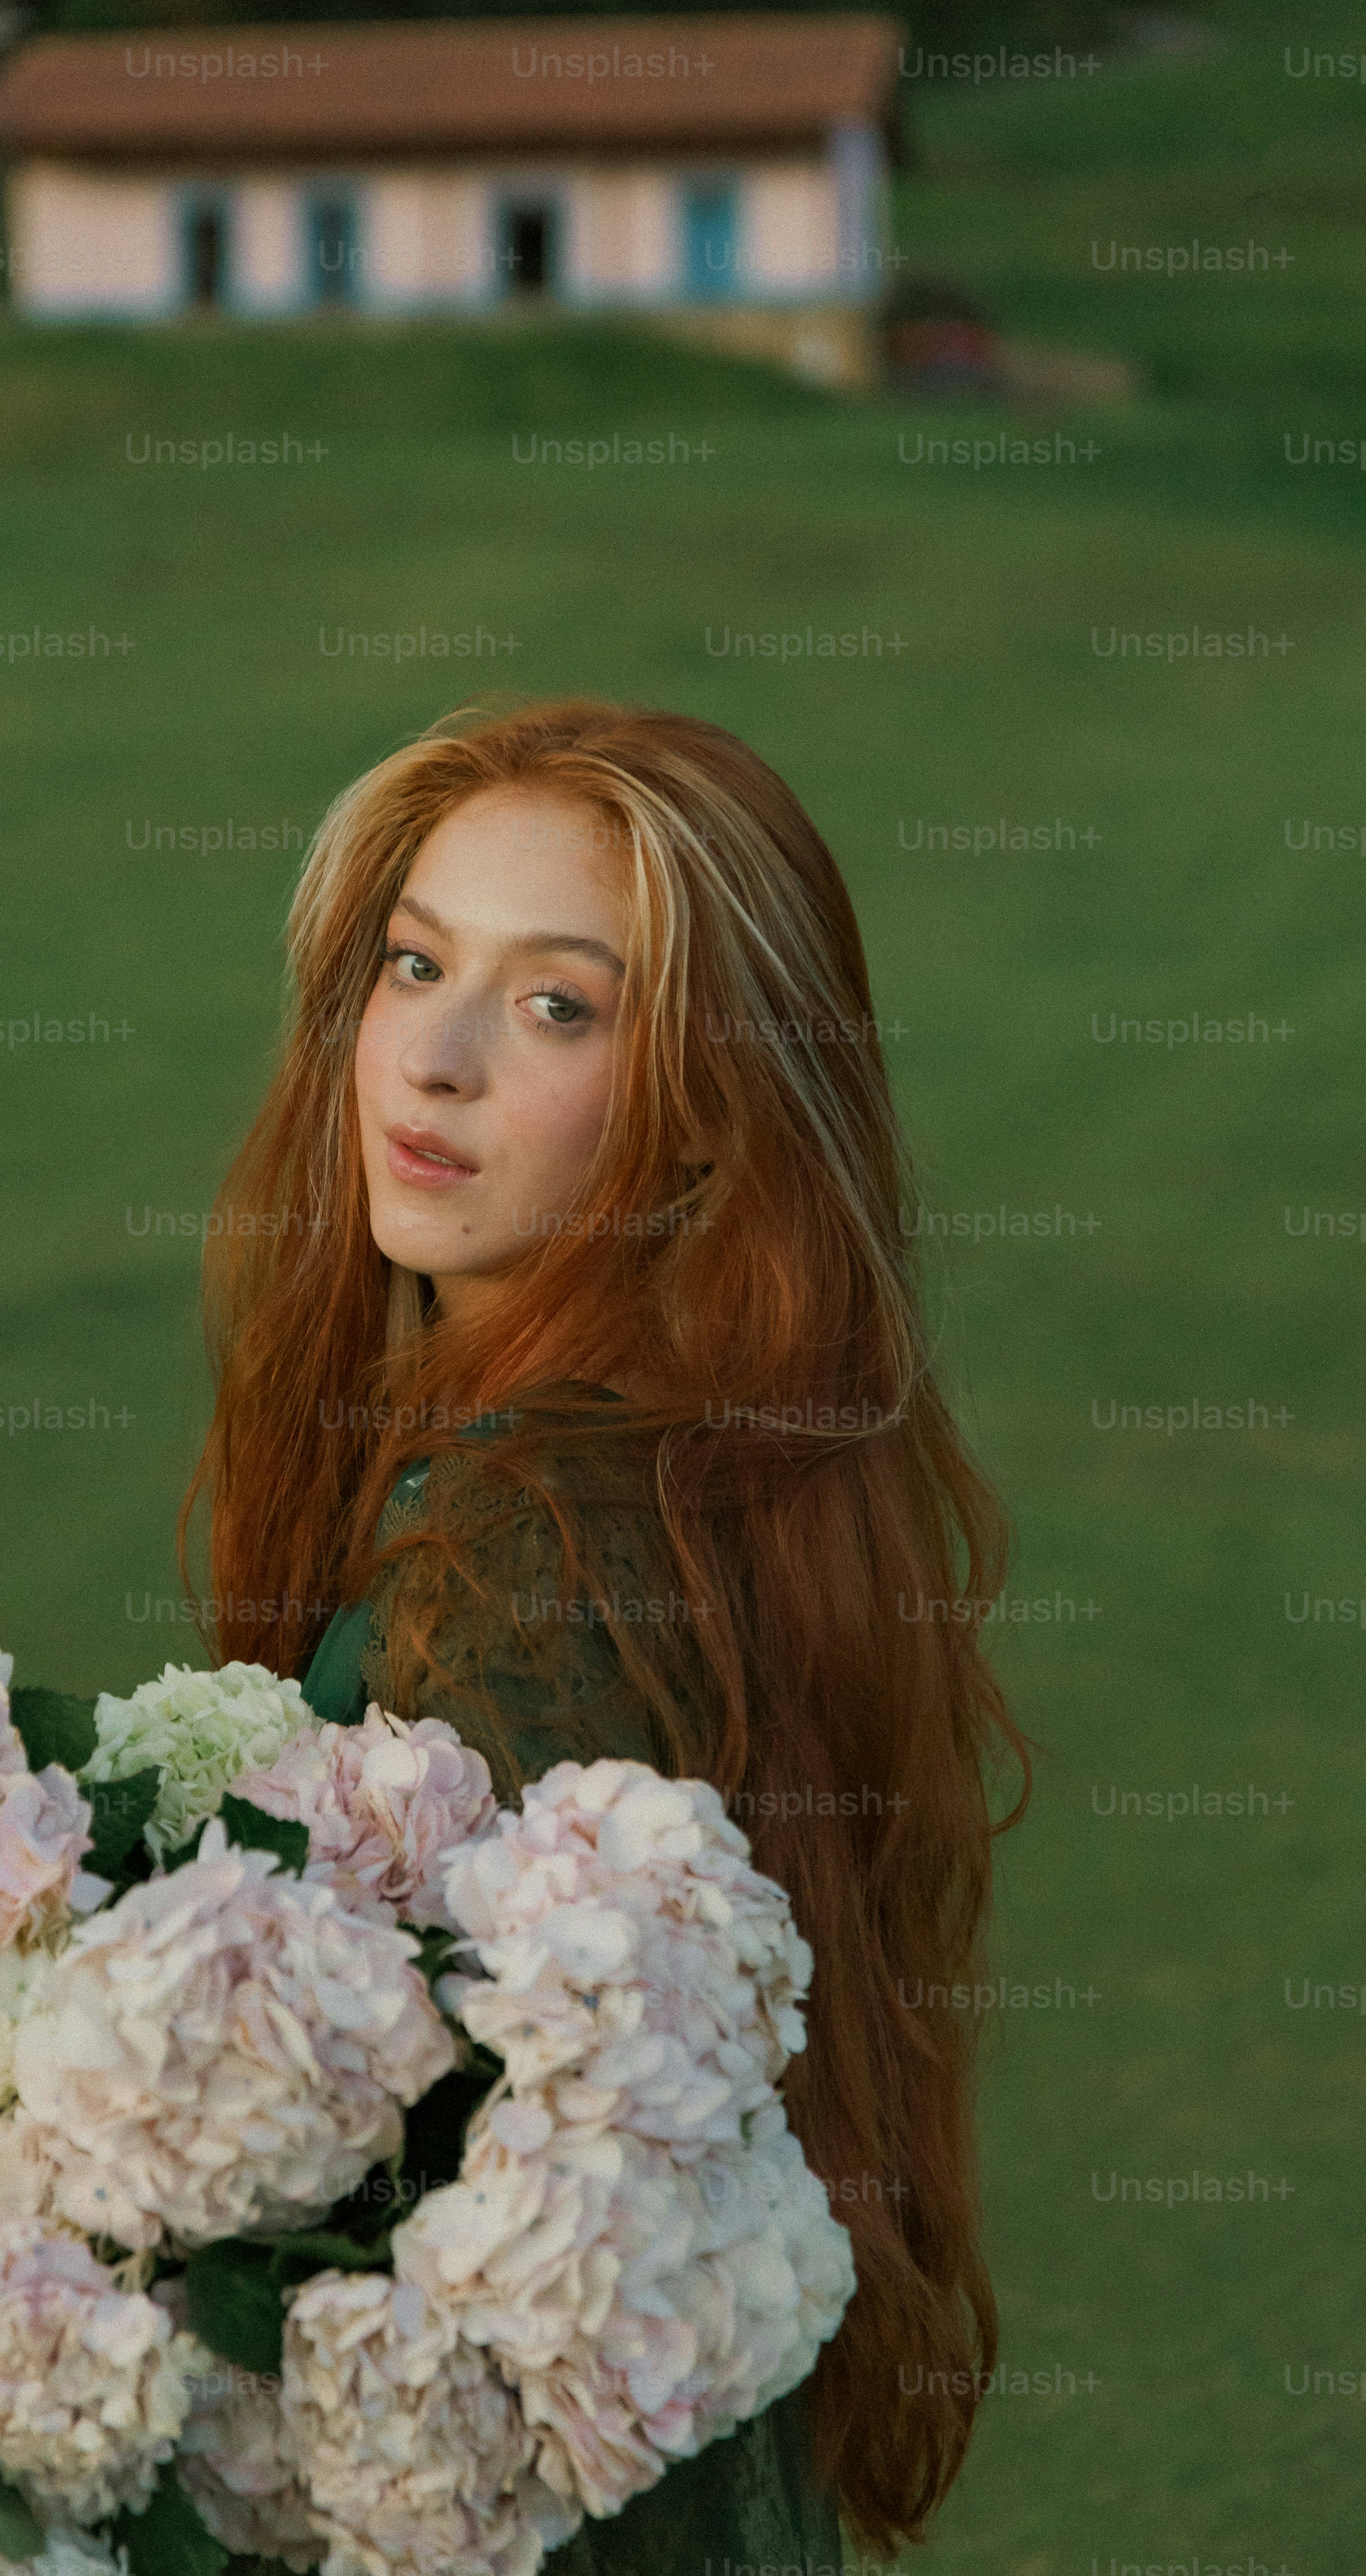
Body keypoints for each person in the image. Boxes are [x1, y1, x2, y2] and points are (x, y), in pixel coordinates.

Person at [181, 698, 1030, 2572]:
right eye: (416, 964)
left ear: (711, 1110)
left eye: (560, 1004)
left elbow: (398, 2213)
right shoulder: (686, 1462)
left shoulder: (541, 1540)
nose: (438, 1057)